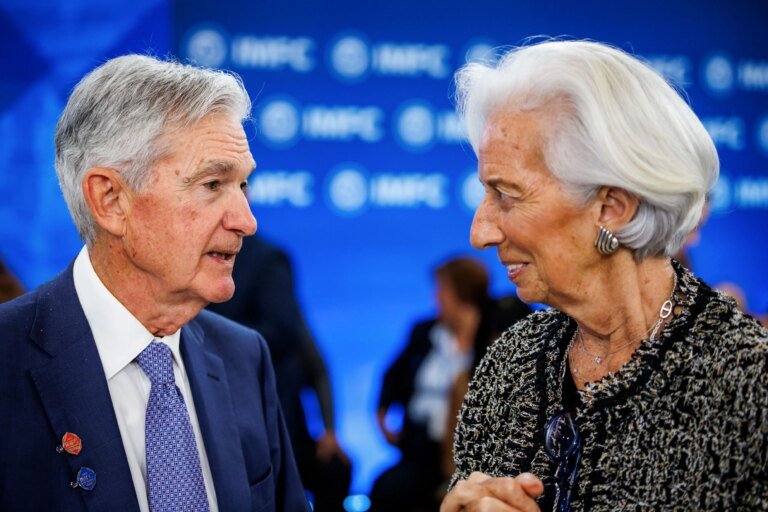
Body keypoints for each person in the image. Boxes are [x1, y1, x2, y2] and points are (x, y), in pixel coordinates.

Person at [441, 40, 768, 512]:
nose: (480, 232)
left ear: (612, 208)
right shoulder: (510, 363)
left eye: (506, 194)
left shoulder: (748, 382)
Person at [0, 55, 308, 511]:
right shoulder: (7, 356)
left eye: (242, 186)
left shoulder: (245, 357)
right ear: (110, 200)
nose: (246, 221)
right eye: (212, 184)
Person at [371, 257, 530, 511]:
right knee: (387, 488)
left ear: (460, 292)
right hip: (421, 447)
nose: (435, 297)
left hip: (478, 447)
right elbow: (392, 375)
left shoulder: (497, 327)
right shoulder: (424, 332)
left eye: (441, 289)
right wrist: (382, 416)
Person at [208, 234, 352, 512]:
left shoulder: (267, 261)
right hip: (225, 418)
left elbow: (316, 365)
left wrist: (330, 431)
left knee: (333, 468)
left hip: (279, 419)